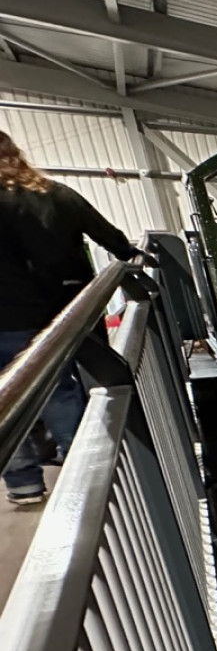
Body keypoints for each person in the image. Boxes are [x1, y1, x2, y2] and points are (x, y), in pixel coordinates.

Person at [0, 130, 140, 507]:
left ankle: (24, 483)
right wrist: (131, 255)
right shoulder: (55, 193)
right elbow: (111, 237)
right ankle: (88, 477)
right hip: (61, 310)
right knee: (61, 393)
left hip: (12, 317)